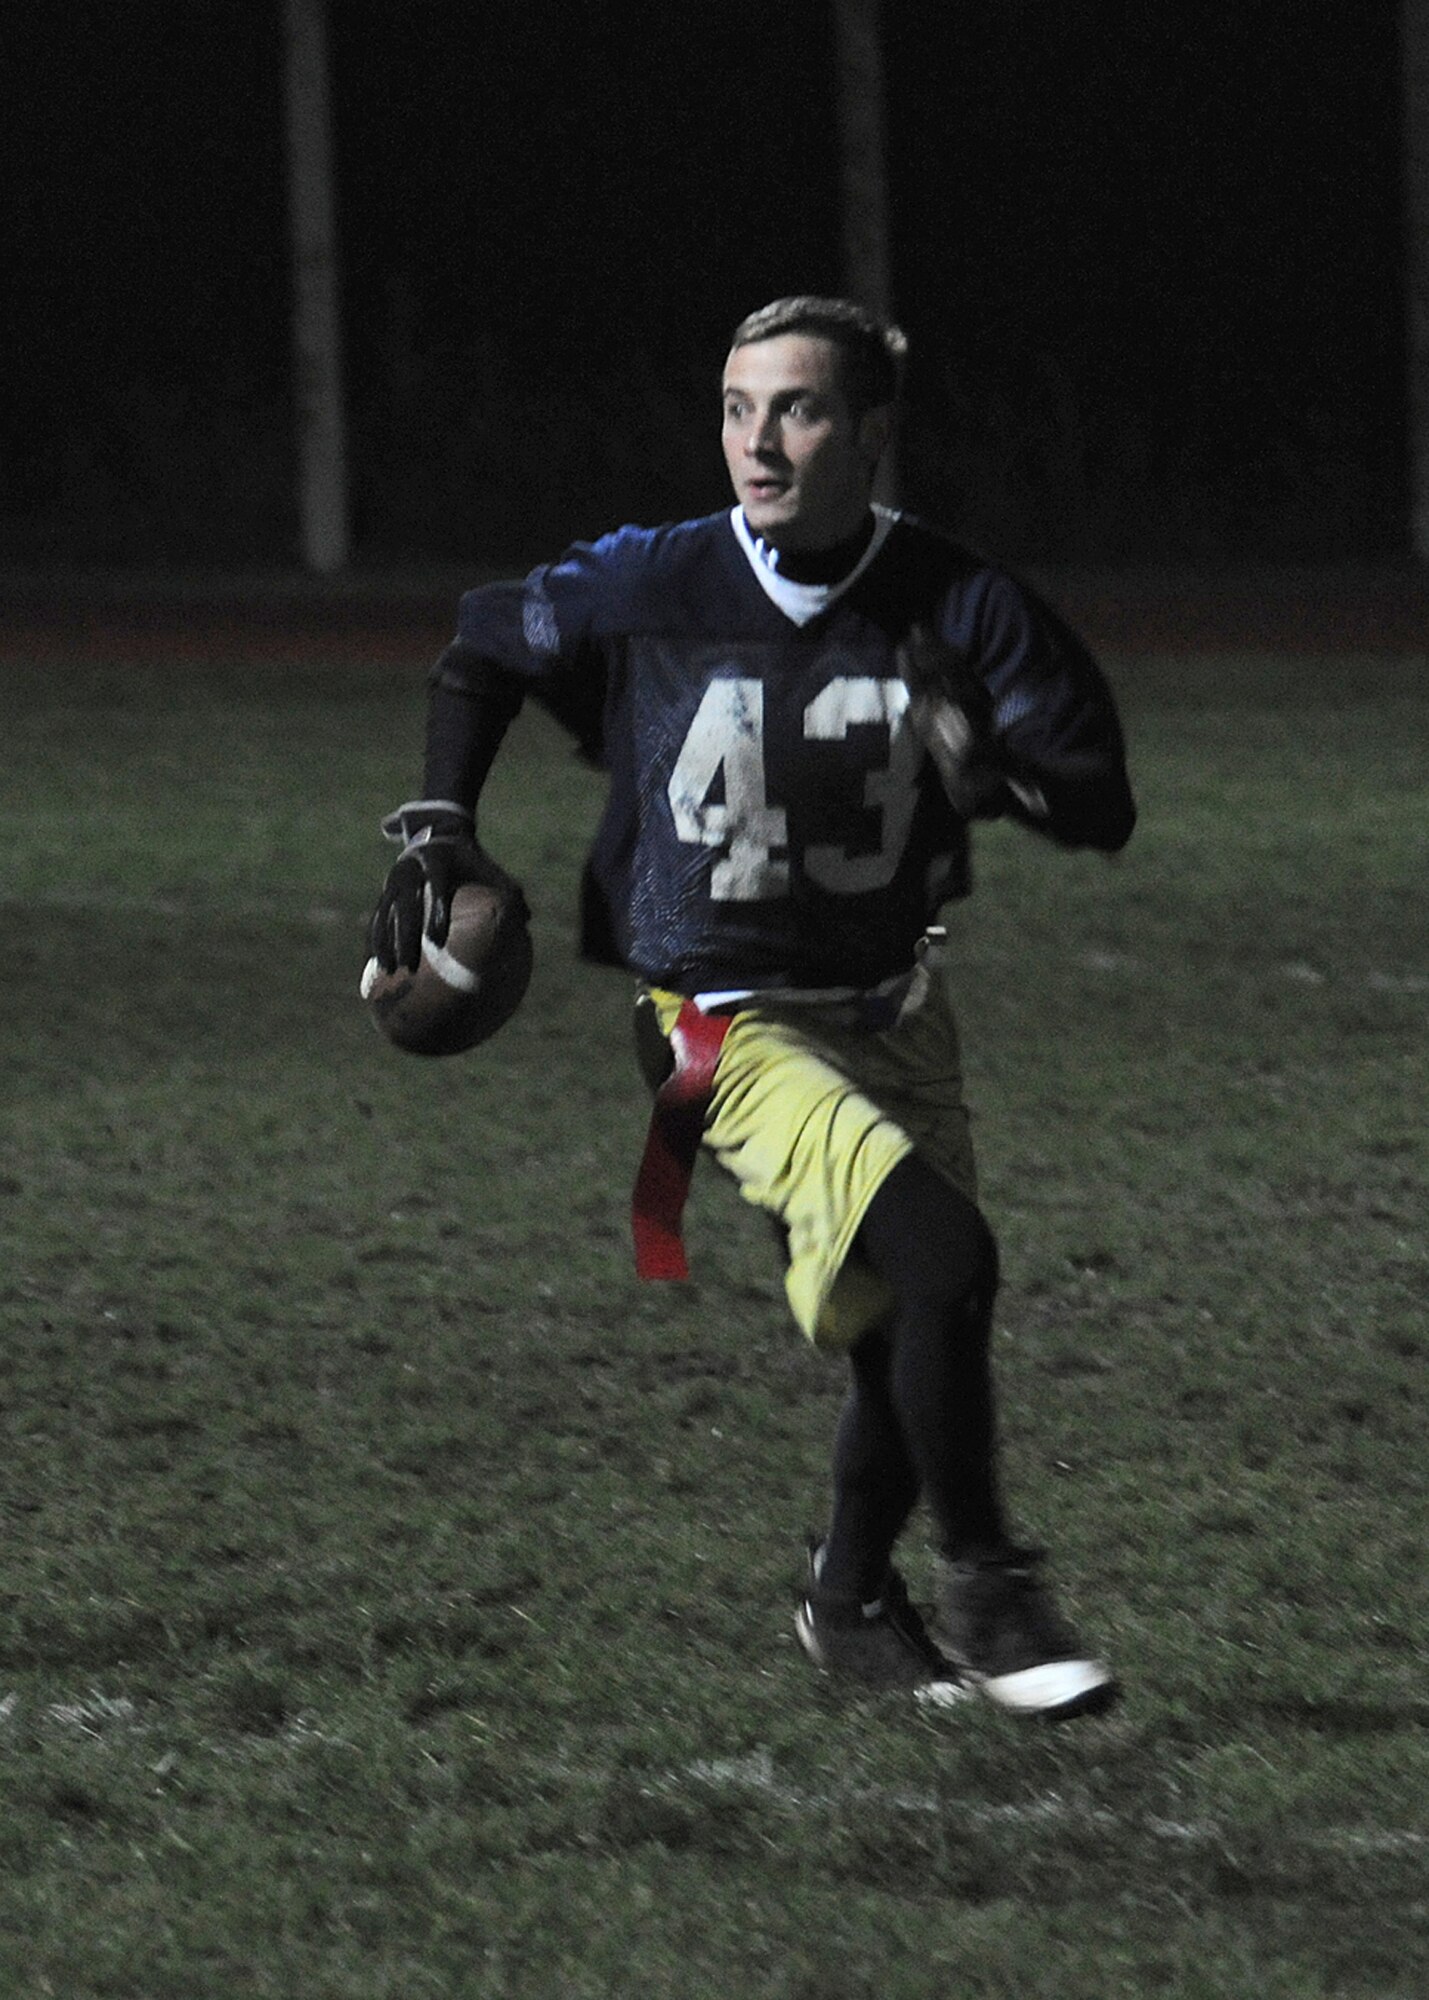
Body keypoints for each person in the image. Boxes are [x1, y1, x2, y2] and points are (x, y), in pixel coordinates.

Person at [368, 296, 1136, 1719]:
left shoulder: (958, 597)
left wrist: (1003, 779)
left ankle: (847, 1600)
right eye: (736, 408)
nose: (757, 440)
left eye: (796, 409)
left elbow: (1102, 800)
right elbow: (482, 644)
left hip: (895, 1009)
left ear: (872, 435)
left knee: (905, 1327)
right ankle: (991, 1589)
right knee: (943, 1265)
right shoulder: (654, 577)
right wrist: (435, 828)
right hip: (719, 1022)